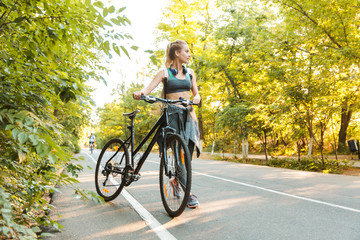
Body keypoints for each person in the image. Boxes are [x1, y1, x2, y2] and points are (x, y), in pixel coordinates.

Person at [133, 40, 201, 208]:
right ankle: (188, 193)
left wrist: (196, 98)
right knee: (178, 155)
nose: (189, 54)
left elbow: (196, 93)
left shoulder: (190, 72)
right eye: (186, 51)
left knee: (187, 157)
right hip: (172, 116)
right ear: (177, 53)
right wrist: (140, 93)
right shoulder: (164, 73)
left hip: (189, 117)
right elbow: (147, 89)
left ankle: (176, 182)